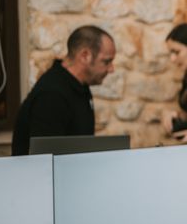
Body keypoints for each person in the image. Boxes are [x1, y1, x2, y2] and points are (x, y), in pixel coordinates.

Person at [12, 25, 116, 156]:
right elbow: (45, 161)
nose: (111, 69)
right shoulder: (51, 95)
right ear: (85, 56)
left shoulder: (80, 86)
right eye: (106, 61)